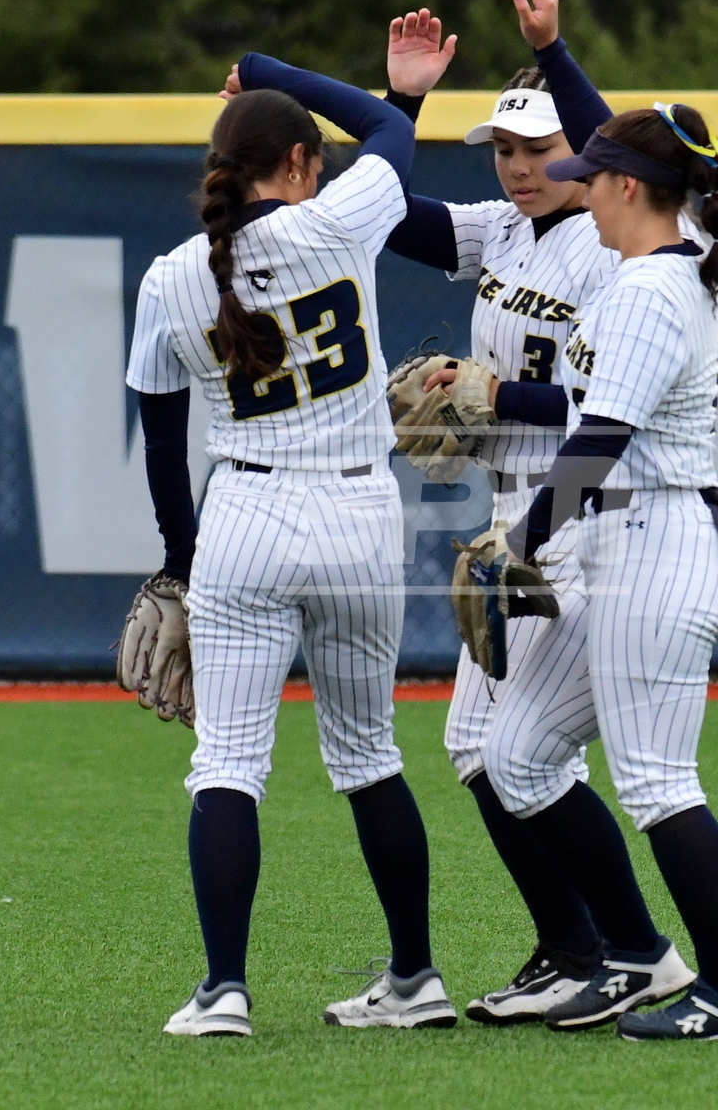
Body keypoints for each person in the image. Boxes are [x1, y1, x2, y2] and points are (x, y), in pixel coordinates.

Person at [126, 52, 456, 1035]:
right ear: (304, 163)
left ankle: (224, 991)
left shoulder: (172, 277)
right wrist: (273, 71)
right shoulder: (340, 220)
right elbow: (390, 133)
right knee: (368, 755)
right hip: (359, 514)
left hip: (247, 512)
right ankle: (414, 979)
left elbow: (160, 441)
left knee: (228, 761)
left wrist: (181, 559)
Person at [380, 0, 673, 1023]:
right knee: (476, 746)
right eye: (502, 149)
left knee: (518, 752)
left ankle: (627, 950)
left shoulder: (614, 246)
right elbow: (381, 212)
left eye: (537, 148)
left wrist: (495, 396)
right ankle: (572, 946)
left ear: (585, 156)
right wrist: (399, 103)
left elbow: (604, 409)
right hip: (510, 515)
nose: (515, 167)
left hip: (581, 515)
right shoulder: (500, 230)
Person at [481, 94, 718, 1040]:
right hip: (624, 541)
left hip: (656, 544)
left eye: (589, 178)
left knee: (657, 783)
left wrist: (519, 541)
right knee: (516, 756)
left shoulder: (651, 289)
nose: (580, 193)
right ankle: (639, 955)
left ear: (629, 188)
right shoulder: (657, 264)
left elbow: (600, 438)